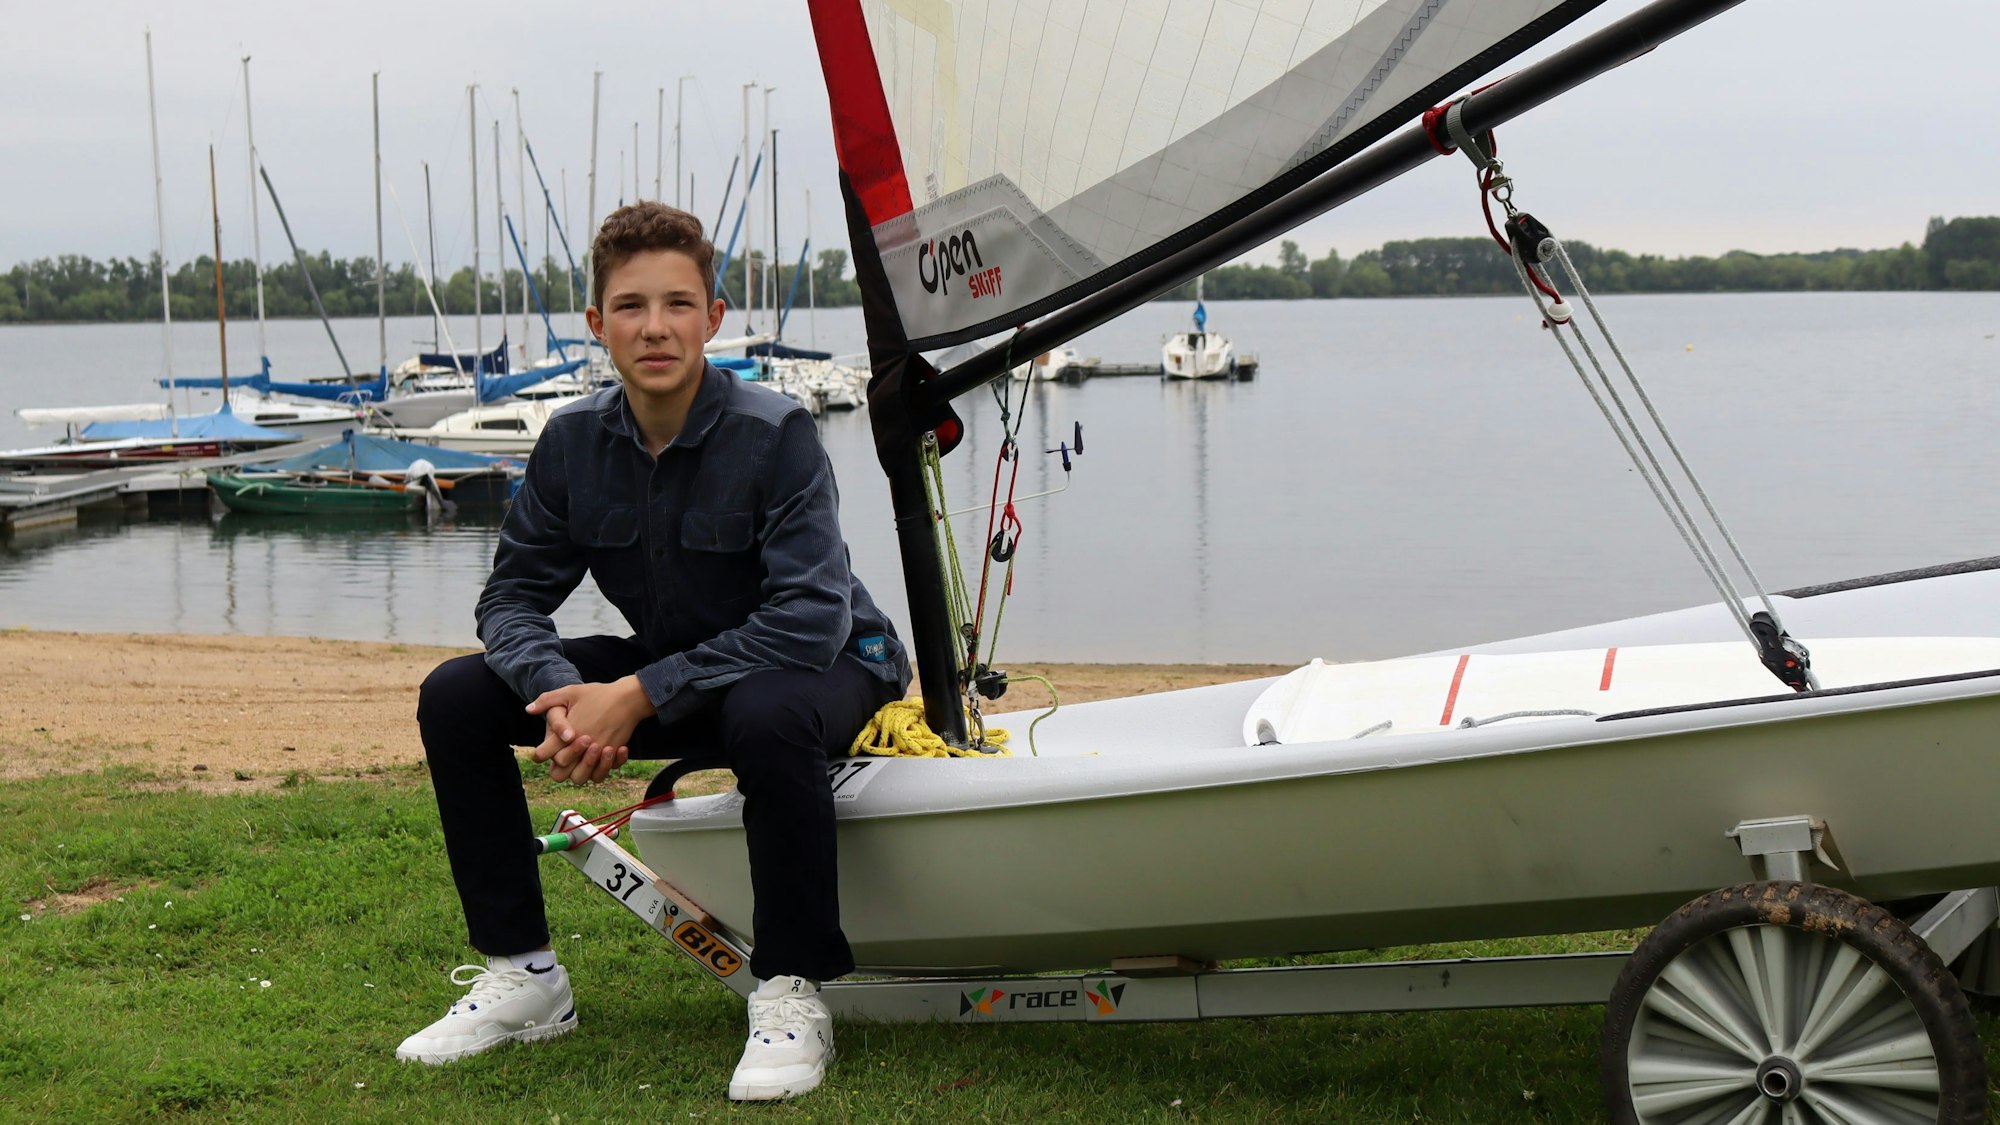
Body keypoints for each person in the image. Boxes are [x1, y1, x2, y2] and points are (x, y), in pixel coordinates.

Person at [397, 201, 909, 1102]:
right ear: (598, 326)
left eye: (679, 303)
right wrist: (563, 693)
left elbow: (807, 618)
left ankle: (790, 989)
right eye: (631, 306)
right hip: (683, 663)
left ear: (713, 317)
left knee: (770, 706)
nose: (656, 326)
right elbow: (511, 596)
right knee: (456, 695)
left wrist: (633, 692)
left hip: (830, 662)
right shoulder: (570, 443)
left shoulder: (777, 434)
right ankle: (527, 976)